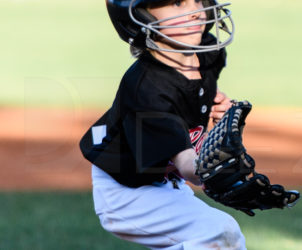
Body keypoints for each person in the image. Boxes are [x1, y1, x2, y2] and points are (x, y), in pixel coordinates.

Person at [79, 0, 246, 249]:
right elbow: (190, 168)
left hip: (163, 180)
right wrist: (220, 171)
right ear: (138, 16)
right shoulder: (147, 88)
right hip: (126, 194)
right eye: (177, 4)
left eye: (198, 1)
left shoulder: (207, 51)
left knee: (226, 238)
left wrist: (214, 99)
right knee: (220, 232)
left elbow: (190, 89)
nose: (195, 12)